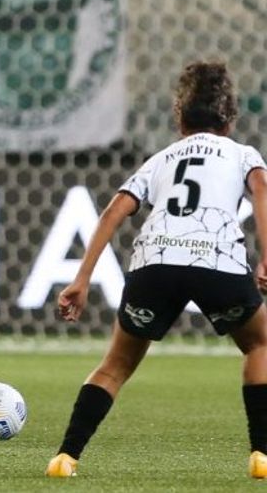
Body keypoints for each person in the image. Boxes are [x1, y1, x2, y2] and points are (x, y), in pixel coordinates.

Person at [46, 61, 267, 479]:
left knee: (115, 365)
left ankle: (65, 457)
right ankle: (262, 455)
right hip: (215, 261)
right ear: (230, 117)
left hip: (155, 263)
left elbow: (114, 211)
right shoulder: (243, 154)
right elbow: (261, 192)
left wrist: (81, 278)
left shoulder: (160, 159)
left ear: (180, 116)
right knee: (260, 344)